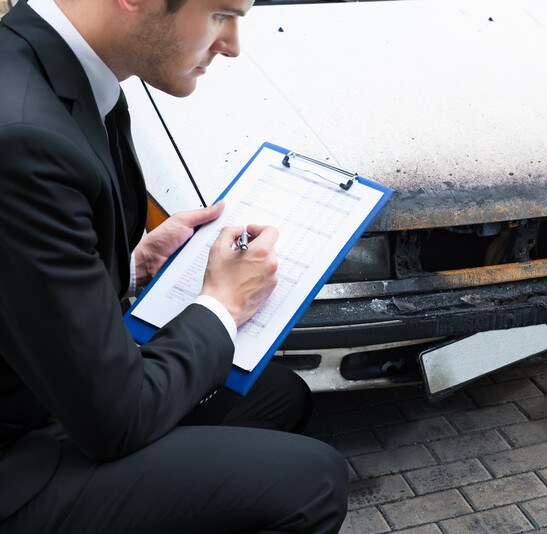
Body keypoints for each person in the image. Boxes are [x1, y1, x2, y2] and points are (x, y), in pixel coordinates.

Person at [0, 0, 348, 531]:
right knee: (315, 481)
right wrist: (222, 305)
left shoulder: (52, 73)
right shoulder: (25, 137)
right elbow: (115, 421)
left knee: (278, 395)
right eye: (220, 15)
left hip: (44, 394)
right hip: (17, 462)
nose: (232, 45)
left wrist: (137, 267)